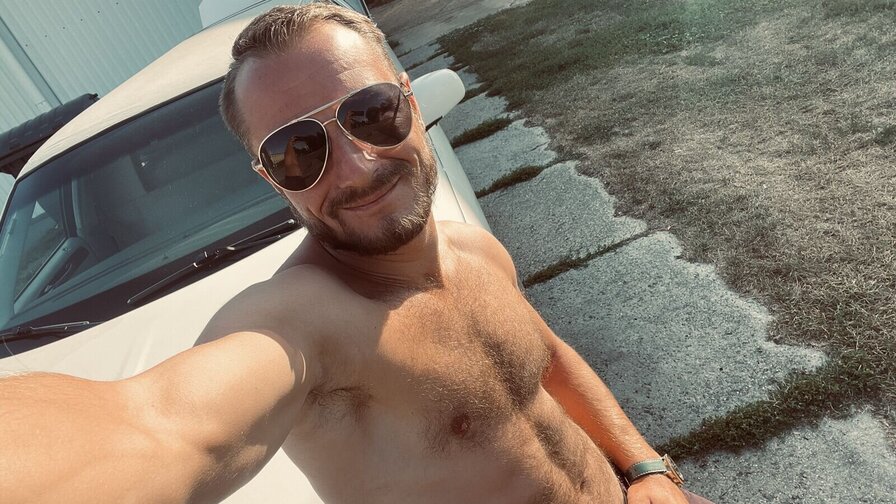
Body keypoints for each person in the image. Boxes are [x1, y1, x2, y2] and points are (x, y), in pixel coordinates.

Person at [0, 4, 714, 503]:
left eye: (370, 113)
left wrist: (645, 468)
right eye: (296, 151)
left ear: (411, 100)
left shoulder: (475, 249)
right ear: (269, 177)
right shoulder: (304, 323)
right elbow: (159, 428)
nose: (358, 166)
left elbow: (545, 358)